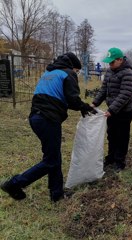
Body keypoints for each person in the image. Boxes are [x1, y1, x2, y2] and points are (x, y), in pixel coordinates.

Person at [0, 52, 96, 202]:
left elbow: (56, 96)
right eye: (77, 70)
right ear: (73, 66)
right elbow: (72, 99)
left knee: (53, 156)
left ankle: (56, 194)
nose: (76, 73)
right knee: (51, 160)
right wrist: (84, 107)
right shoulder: (68, 73)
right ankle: (14, 184)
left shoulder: (49, 73)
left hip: (35, 118)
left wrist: (80, 107)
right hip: (48, 119)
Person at [92, 48, 132, 171]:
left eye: (112, 62)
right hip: (112, 109)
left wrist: (111, 110)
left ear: (120, 60)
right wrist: (95, 103)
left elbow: (125, 94)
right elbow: (103, 89)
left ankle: (119, 161)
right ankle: (111, 156)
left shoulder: (128, 72)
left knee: (122, 135)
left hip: (125, 110)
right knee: (111, 134)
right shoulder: (110, 72)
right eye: (109, 62)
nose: (110, 64)